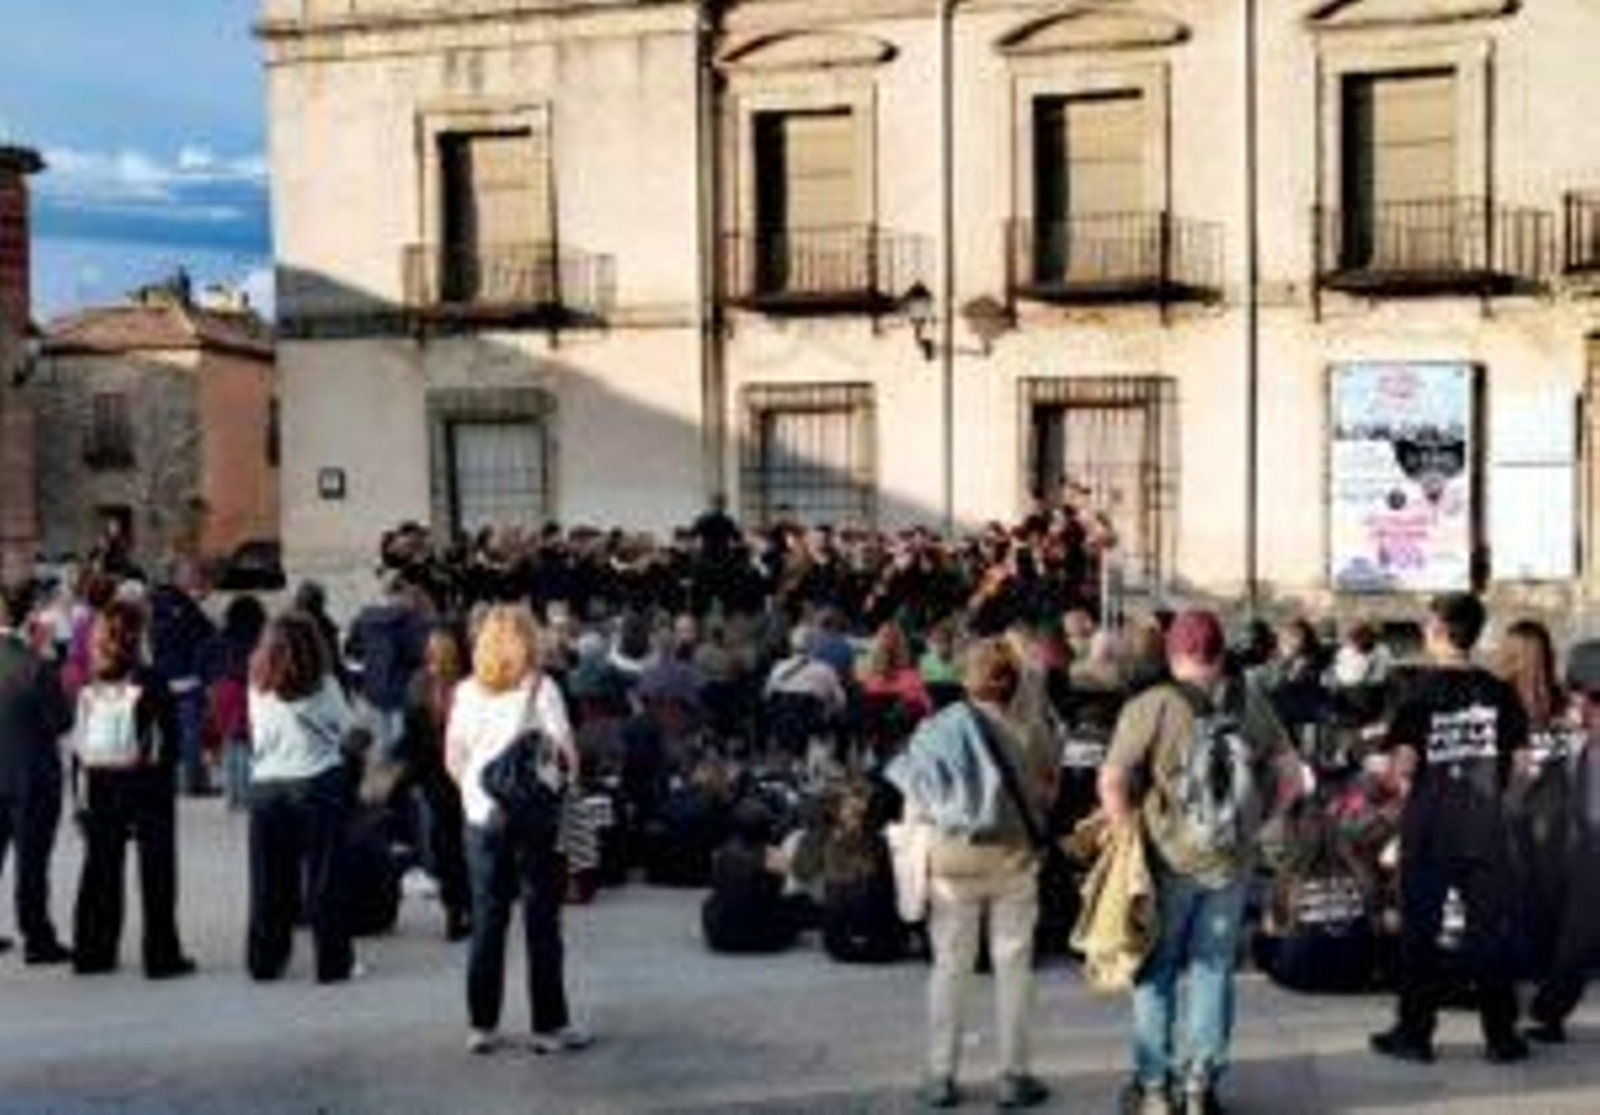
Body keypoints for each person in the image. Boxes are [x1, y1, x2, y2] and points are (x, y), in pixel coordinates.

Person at [1099, 609, 1300, 1115]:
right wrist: (1255, 824)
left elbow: (1113, 781)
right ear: (1219, 653)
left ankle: (1152, 1089)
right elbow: (1293, 777)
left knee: (1156, 971)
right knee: (1213, 970)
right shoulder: (1251, 700)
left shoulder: (1151, 706)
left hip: (1166, 858)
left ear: (1173, 653)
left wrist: (1126, 834)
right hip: (1231, 861)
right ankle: (1198, 1087)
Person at [891, 637, 1057, 1110]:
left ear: (968, 677)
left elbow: (916, 799)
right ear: (1012, 681)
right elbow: (1047, 792)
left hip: (950, 860)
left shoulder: (935, 728)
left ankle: (941, 1074)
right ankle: (1014, 1074)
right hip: (1013, 859)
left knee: (949, 968)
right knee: (1014, 969)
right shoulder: (1032, 728)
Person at [1369, 593, 1531, 1066]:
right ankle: (1501, 1037)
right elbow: (1522, 768)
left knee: (1421, 934)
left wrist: (1394, 778)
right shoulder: (1501, 692)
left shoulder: (1415, 691)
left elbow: (1401, 767)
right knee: (1489, 936)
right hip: (1486, 829)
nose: (1424, 631)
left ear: (1439, 631)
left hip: (1430, 829)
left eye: (1427, 624)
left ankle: (1414, 1035)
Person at [446, 605, 590, 1056]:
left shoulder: (466, 691)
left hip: (482, 817)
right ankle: (549, 1025)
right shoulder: (542, 689)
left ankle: (481, 1025)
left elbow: (454, 757)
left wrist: (477, 794)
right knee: (542, 920)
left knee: (488, 920)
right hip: (534, 821)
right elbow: (567, 755)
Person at [69, 600, 196, 978]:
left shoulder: (92, 682)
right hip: (146, 784)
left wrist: (79, 798)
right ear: (138, 634)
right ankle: (160, 956)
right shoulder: (151, 679)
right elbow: (170, 741)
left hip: (100, 783)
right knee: (156, 872)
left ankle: (93, 951)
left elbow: (79, 744)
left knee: (100, 869)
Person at [245, 612, 359, 983]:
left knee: (268, 881)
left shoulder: (256, 685)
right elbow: (350, 730)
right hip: (315, 782)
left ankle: (265, 960)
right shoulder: (324, 685)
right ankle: (331, 962)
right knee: (325, 878)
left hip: (266, 786)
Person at [1523, 638, 1600, 1043]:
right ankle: (1549, 1010)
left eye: (1577, 693)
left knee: (1579, 930)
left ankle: (1549, 1012)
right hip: (1584, 840)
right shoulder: (1582, 739)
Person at [0, 587, 74, 964]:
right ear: (28, 618)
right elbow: (63, 721)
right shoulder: (35, 665)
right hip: (31, 777)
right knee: (32, 862)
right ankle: (37, 938)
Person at [399, 623, 472, 941]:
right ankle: (470, 905)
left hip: (434, 778)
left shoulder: (418, 685)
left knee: (446, 847)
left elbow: (411, 741)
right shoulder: (468, 685)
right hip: (465, 776)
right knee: (468, 844)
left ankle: (454, 911)